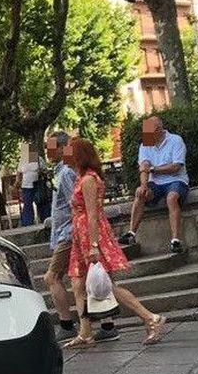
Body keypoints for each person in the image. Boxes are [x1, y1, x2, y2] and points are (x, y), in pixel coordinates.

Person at [65, 137, 168, 349]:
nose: (66, 156)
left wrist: (94, 245)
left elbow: (93, 215)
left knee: (108, 286)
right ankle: (85, 332)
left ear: (80, 155)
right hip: (81, 236)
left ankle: (150, 317)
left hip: (90, 237)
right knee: (77, 284)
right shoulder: (83, 178)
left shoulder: (88, 180)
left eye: (70, 152)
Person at [43, 132, 118, 344]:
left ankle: (68, 323)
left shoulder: (69, 174)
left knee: (53, 277)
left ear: (63, 148)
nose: (48, 152)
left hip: (71, 233)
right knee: (83, 281)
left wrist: (84, 238)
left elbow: (77, 206)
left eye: (51, 148)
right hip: (70, 232)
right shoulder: (65, 172)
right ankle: (102, 325)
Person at [120, 116, 190, 254]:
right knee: (140, 195)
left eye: (148, 133)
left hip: (176, 179)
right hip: (156, 182)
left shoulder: (175, 140)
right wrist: (143, 185)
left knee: (172, 198)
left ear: (158, 130)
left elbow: (176, 166)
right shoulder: (145, 144)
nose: (146, 136)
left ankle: (175, 240)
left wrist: (153, 169)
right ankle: (131, 234)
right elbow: (144, 167)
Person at [18, 149, 42, 227]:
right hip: (26, 186)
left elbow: (44, 170)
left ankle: (43, 218)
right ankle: (28, 223)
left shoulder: (38, 159)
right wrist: (17, 184)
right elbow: (19, 173)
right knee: (27, 204)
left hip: (37, 184)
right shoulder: (23, 160)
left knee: (41, 201)